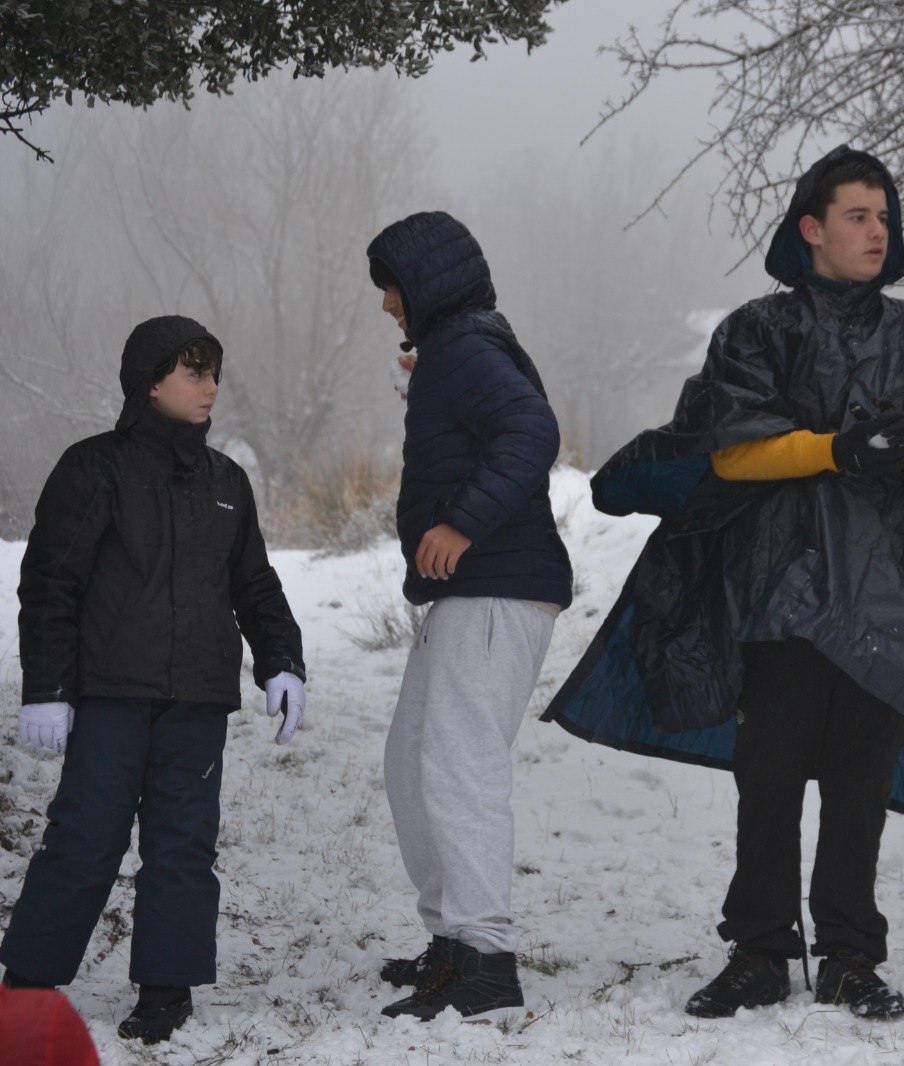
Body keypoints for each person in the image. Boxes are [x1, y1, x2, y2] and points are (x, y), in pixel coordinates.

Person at [543, 146, 904, 1020]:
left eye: (884, 216)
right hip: (779, 593)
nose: (877, 232)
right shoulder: (758, 332)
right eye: (857, 216)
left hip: (894, 596)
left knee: (861, 783)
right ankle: (760, 952)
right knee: (768, 776)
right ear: (811, 229)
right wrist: (838, 449)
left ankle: (849, 956)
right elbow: (732, 451)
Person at [0, 316, 307, 1044]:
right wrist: (47, 688)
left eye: (214, 373)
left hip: (196, 698)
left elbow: (255, 584)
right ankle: (29, 982)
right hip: (112, 692)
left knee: (183, 844)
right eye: (194, 372)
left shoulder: (226, 481)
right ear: (150, 383)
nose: (211, 387)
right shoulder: (95, 468)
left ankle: (167, 991)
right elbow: (51, 583)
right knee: (85, 835)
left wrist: (282, 660)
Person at [365, 211, 572, 1023]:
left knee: (459, 766)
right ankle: (454, 942)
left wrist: (461, 524)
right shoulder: (457, 350)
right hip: (471, 590)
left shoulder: (464, 349)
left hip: (496, 584)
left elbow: (531, 430)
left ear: (425, 283)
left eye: (392, 286)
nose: (386, 303)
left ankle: (487, 966)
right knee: (411, 763)